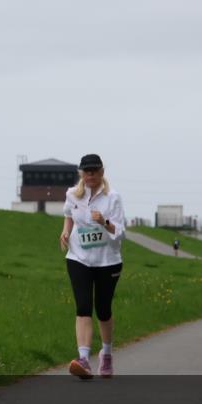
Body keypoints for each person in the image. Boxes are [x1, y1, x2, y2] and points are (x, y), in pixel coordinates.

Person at [59, 155, 126, 380]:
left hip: (108, 260)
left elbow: (120, 233)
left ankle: (106, 354)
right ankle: (84, 359)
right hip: (78, 258)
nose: (90, 175)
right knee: (83, 306)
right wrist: (65, 231)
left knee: (103, 309)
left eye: (95, 171)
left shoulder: (113, 198)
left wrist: (104, 222)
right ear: (81, 173)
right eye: (86, 171)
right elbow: (68, 214)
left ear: (101, 172)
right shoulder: (72, 194)